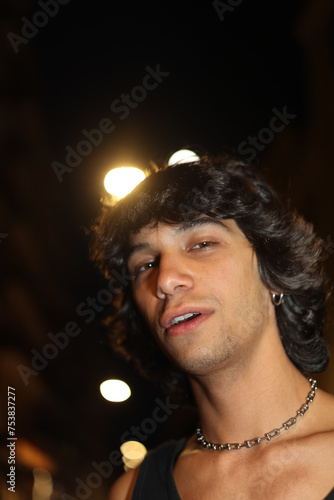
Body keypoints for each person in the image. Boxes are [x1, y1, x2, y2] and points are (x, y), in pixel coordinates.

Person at [90, 154, 334, 499]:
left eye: (202, 244)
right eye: (145, 264)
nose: (166, 279)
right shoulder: (132, 491)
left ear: (272, 273)